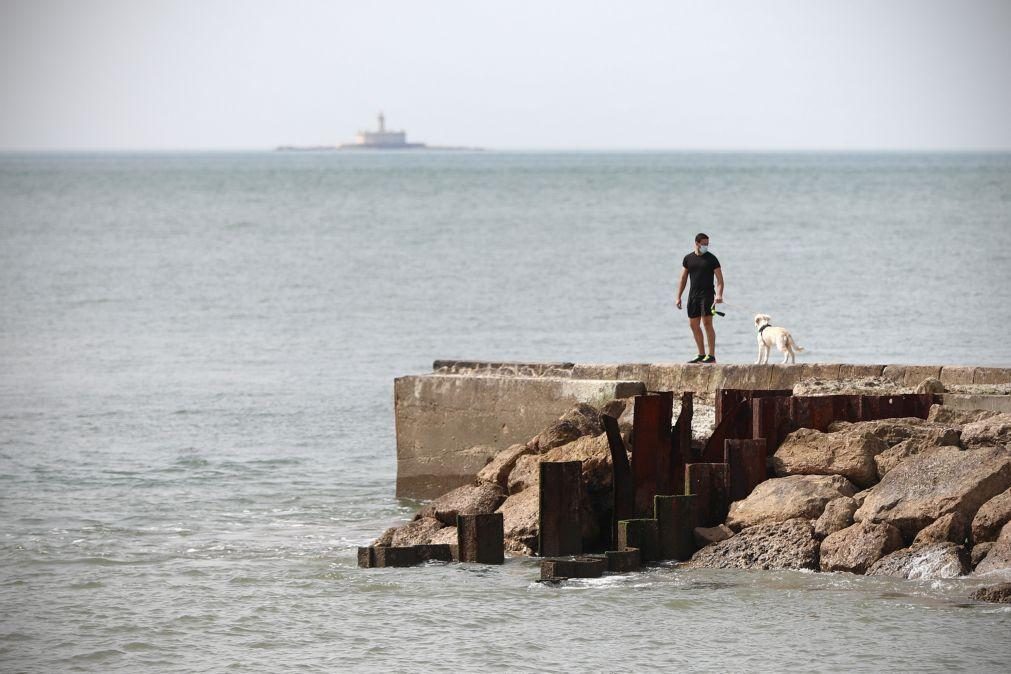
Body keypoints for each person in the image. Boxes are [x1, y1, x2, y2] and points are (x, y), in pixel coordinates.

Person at [675, 232, 724, 363]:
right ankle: (701, 354)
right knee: (693, 325)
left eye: (707, 244)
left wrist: (719, 295)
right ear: (696, 243)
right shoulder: (688, 258)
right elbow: (683, 278)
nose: (706, 246)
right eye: (703, 244)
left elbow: (720, 280)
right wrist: (678, 296)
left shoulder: (712, 259)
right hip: (693, 296)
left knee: (707, 324)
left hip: (707, 296)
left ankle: (711, 356)